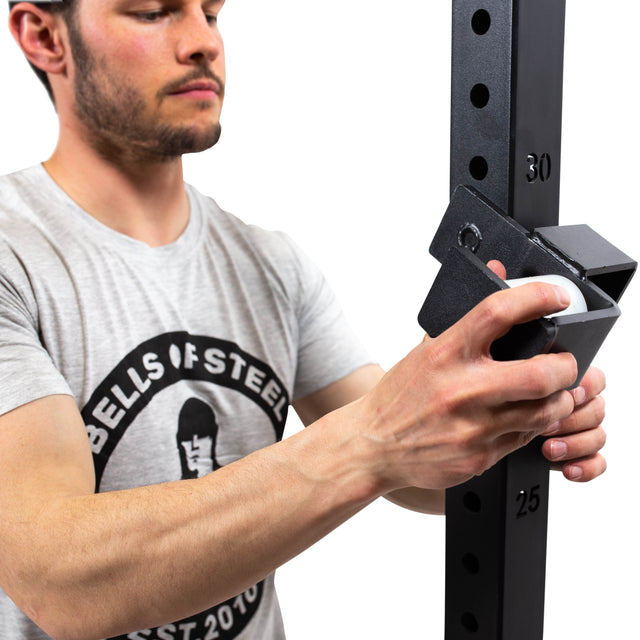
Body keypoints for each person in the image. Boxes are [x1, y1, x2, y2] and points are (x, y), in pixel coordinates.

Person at [0, 1, 607, 639]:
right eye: (154, 12)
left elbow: (421, 473)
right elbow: (58, 582)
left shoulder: (271, 264)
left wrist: (515, 413)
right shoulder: (15, 256)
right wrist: (374, 440)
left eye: (211, 13)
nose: (202, 41)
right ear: (45, 36)